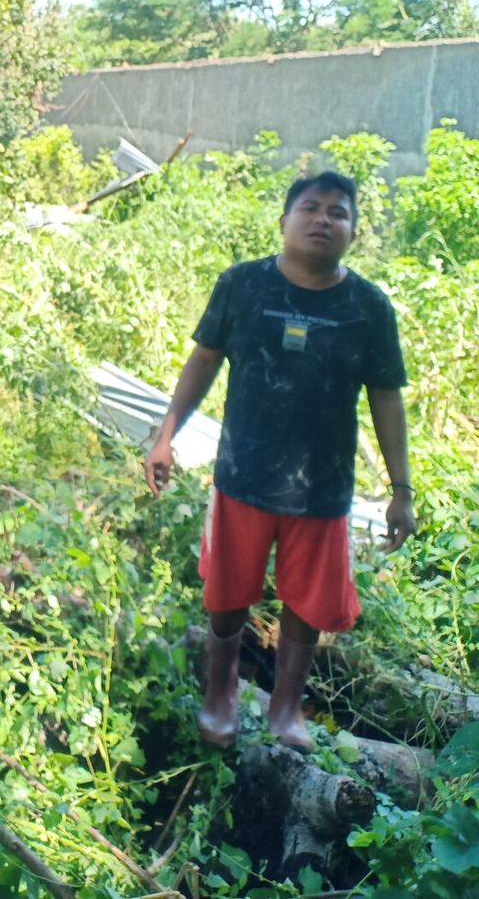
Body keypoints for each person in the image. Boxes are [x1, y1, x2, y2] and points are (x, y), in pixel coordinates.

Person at [145, 172, 415, 752]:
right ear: (285, 221)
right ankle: (222, 694)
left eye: (338, 213)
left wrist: (402, 488)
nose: (323, 219)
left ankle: (286, 710)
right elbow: (203, 361)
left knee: (308, 604)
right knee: (227, 593)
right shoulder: (243, 285)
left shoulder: (368, 308)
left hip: (323, 488)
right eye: (310, 208)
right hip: (243, 475)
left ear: (353, 232)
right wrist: (166, 435)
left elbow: (387, 397)